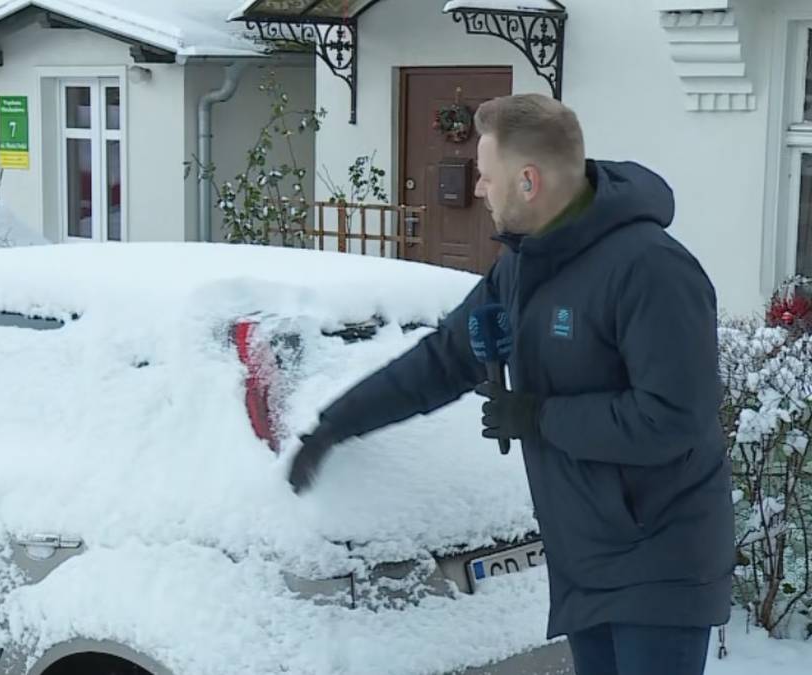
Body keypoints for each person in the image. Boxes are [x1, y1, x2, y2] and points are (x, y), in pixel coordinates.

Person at [286, 94, 734, 675]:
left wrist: (539, 417)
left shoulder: (651, 270)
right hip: (586, 557)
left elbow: (672, 419)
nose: (478, 189)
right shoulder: (525, 265)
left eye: (485, 174)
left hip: (659, 560)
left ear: (527, 181)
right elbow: (445, 359)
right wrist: (338, 423)